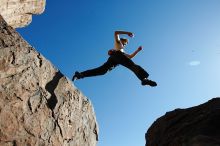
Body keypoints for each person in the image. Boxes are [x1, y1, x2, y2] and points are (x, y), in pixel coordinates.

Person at [72, 30, 157, 87]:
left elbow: (130, 56)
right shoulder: (118, 43)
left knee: (102, 71)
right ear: (123, 41)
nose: (125, 45)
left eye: (126, 44)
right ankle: (144, 79)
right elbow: (116, 32)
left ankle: (80, 74)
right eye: (125, 43)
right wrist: (127, 33)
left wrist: (137, 50)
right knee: (132, 65)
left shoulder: (123, 50)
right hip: (117, 55)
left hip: (114, 60)